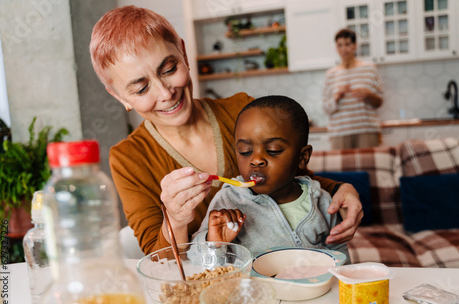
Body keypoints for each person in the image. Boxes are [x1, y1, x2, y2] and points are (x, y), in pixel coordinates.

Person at [89, 5, 363, 255]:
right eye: (141, 88)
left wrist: (342, 189)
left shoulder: (241, 111)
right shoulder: (129, 159)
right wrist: (175, 219)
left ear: (183, 53)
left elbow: (295, 178)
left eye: (169, 68)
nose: (165, 93)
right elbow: (158, 259)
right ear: (119, 96)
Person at [192, 96, 349, 261]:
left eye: (273, 150)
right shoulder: (228, 200)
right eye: (245, 151)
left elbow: (339, 253)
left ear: (302, 157)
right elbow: (195, 260)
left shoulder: (322, 202)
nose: (256, 160)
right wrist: (214, 243)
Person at [323, 28, 384, 150]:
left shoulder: (370, 69)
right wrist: (336, 97)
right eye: (339, 45)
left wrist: (368, 95)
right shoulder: (330, 74)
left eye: (347, 44)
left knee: (369, 167)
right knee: (342, 169)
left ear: (355, 45)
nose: (343, 49)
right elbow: (326, 108)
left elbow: (379, 102)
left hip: (367, 130)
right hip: (339, 133)